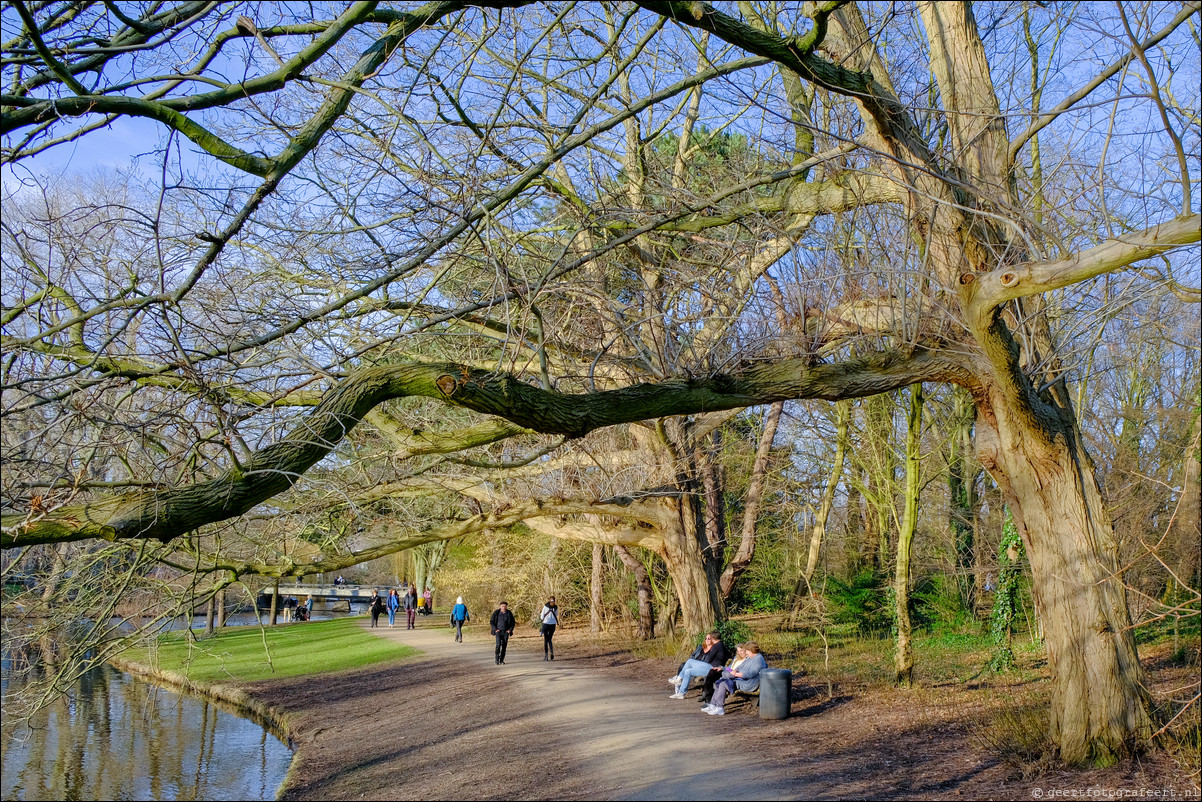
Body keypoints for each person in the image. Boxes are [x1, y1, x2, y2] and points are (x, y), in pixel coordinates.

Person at [705, 642, 767, 716]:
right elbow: (741, 666)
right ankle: (713, 705)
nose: (746, 652)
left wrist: (736, 674)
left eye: (747, 651)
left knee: (723, 684)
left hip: (749, 683)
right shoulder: (751, 657)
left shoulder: (758, 659)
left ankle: (720, 708)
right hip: (743, 680)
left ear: (752, 650)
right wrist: (735, 670)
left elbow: (750, 674)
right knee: (721, 681)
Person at [668, 631, 729, 698]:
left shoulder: (716, 646)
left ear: (713, 638)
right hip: (710, 667)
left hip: (712, 668)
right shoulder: (720, 645)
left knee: (690, 661)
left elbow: (708, 659)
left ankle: (679, 679)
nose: (709, 640)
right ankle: (681, 693)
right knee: (688, 671)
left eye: (710, 638)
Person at [539, 595, 559, 661]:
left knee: (545, 640)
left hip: (546, 624)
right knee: (550, 639)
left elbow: (542, 617)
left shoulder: (545, 606)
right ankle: (552, 653)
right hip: (553, 625)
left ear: (549, 600)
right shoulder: (556, 607)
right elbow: (556, 615)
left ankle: (546, 656)